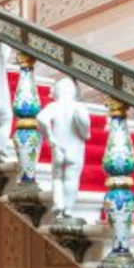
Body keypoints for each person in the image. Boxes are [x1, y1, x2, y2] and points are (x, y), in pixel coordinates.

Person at [37, 77, 92, 218]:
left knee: (57, 177)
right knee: (71, 179)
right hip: (75, 149)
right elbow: (85, 125)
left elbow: (41, 119)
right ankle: (68, 208)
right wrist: (86, 133)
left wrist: (50, 139)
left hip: (58, 147)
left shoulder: (54, 106)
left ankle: (58, 202)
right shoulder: (79, 107)